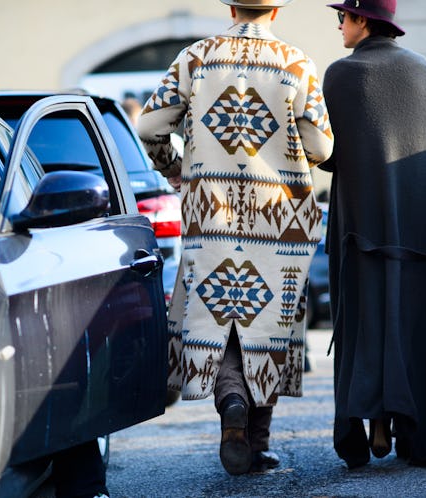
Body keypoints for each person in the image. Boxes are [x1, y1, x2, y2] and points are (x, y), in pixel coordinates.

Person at [137, 0, 333, 476]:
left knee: (219, 310)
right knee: (269, 318)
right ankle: (258, 440)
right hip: (279, 217)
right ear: (276, 11)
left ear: (230, 7)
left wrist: (176, 168)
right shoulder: (296, 63)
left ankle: (230, 402)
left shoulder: (196, 57)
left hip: (212, 215)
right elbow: (322, 146)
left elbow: (148, 125)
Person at [320, 0, 426, 469]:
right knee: (416, 327)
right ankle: (417, 439)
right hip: (423, 233)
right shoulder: (421, 70)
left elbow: (327, 154)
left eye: (342, 16)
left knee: (365, 323)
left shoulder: (341, 75)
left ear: (363, 20)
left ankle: (366, 428)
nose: (339, 24)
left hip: (362, 229)